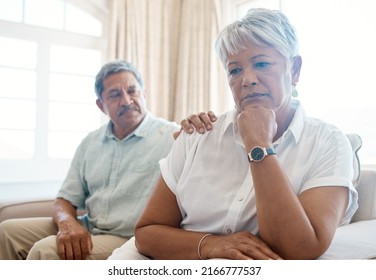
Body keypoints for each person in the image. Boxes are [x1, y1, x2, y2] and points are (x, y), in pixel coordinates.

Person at [108, 8, 359, 260]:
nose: (247, 80)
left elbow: (300, 249)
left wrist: (259, 145)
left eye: (261, 64)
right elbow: (147, 232)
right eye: (235, 70)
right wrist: (211, 245)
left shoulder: (329, 143)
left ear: (294, 70)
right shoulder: (198, 135)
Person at [0, 59, 215, 260]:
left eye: (132, 91)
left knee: (46, 250)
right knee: (5, 232)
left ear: (144, 94)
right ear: (101, 105)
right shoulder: (91, 142)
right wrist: (68, 223)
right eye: (115, 95)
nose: (127, 100)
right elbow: (65, 200)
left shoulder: (173, 137)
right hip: (89, 226)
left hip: (130, 238)